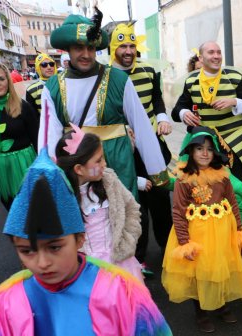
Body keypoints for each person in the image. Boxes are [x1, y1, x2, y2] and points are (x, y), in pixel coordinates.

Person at [0, 148, 176, 336]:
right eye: (27, 251)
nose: (42, 263)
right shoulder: (6, 302)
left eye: (55, 247)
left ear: (80, 239)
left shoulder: (120, 290)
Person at [38, 8, 170, 198]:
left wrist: (157, 169)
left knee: (123, 216)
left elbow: (141, 125)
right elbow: (49, 135)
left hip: (117, 160)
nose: (86, 54)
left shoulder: (118, 79)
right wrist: (49, 175)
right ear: (68, 50)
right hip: (79, 164)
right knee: (88, 217)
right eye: (78, 48)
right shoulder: (52, 87)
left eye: (90, 48)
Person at [161, 126, 242, 333]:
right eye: (200, 149)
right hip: (196, 235)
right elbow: (178, 211)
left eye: (209, 149)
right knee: (199, 272)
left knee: (219, 268)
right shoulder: (184, 179)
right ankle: (201, 310)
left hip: (221, 233)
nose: (204, 153)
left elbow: (232, 203)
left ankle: (221, 305)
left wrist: (239, 229)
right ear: (191, 151)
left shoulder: (222, 176)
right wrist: (184, 242)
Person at [109, 22, 173, 275]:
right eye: (122, 45)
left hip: (153, 147)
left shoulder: (148, 70)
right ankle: (138, 257)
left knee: (160, 201)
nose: (128, 50)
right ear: (114, 48)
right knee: (133, 205)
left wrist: (163, 116)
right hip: (124, 150)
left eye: (132, 45)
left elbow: (156, 98)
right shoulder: (106, 77)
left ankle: (169, 251)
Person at [55, 126, 144, 282]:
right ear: (79, 169)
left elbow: (131, 208)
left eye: (102, 157)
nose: (104, 163)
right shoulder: (61, 198)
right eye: (98, 160)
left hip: (120, 263)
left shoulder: (109, 180)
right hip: (83, 272)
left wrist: (128, 241)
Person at [171, 41, 242, 187]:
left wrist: (234, 102)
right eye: (211, 52)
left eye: (218, 52)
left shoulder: (234, 77)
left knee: (237, 187)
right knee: (209, 189)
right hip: (207, 145)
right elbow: (176, 110)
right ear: (200, 58)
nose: (216, 56)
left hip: (237, 142)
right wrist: (184, 113)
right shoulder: (192, 81)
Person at [0, 62, 39, 210]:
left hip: (24, 165)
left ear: (8, 80)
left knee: (31, 210)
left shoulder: (23, 106)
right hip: (1, 170)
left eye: (1, 79)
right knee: (12, 211)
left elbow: (37, 138)